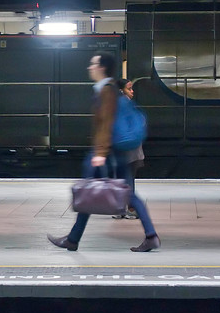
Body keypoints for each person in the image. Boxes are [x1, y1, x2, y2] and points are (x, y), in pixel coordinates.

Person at [47, 52, 160, 252]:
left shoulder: (107, 91)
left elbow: (106, 124)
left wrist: (99, 153)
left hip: (107, 153)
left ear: (102, 68)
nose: (89, 68)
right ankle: (150, 236)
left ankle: (73, 239)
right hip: (114, 151)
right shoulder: (109, 89)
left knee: (89, 191)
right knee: (105, 193)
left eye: (93, 64)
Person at [113, 79, 142, 220]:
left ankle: (120, 209)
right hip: (129, 147)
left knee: (121, 178)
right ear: (121, 90)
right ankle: (130, 208)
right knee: (128, 178)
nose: (132, 91)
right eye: (129, 88)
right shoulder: (126, 105)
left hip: (121, 147)